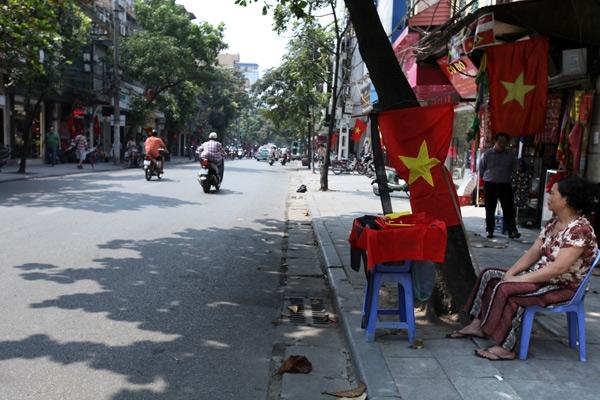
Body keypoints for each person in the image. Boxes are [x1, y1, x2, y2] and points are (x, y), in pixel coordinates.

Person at [448, 176, 598, 361]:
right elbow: (533, 254)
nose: (548, 196)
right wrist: (511, 273)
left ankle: (506, 346)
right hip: (542, 278)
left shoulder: (580, 230)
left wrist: (518, 280)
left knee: (507, 289)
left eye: (553, 193)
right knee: (489, 275)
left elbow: (558, 269)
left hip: (562, 287)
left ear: (566, 199)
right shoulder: (553, 223)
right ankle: (478, 324)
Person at [479, 132, 520, 239]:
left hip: (505, 184)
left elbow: (515, 168)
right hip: (490, 184)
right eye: (500, 142)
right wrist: (487, 178)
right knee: (489, 208)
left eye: (504, 142)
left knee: (508, 208)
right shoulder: (487, 154)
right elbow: (481, 169)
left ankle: (512, 231)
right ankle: (490, 230)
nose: (502, 144)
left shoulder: (510, 155)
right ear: (495, 141)